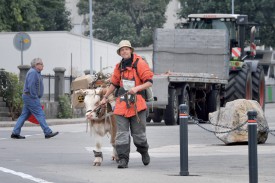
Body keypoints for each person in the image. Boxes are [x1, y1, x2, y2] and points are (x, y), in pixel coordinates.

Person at [100, 40, 153, 168]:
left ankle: (144, 151)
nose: (124, 51)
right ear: (120, 53)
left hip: (137, 104)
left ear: (131, 50)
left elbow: (149, 82)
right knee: (121, 134)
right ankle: (123, 159)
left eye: (126, 49)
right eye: (122, 50)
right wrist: (105, 97)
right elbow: (114, 84)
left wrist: (136, 88)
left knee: (138, 136)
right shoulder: (119, 67)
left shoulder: (140, 63)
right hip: (122, 104)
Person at [11, 58, 59, 139]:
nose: (43, 65)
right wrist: (34, 96)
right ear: (37, 65)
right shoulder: (33, 72)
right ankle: (47, 132)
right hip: (31, 97)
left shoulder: (36, 72)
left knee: (24, 115)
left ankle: (15, 132)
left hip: (29, 96)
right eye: (41, 64)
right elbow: (31, 86)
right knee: (40, 114)